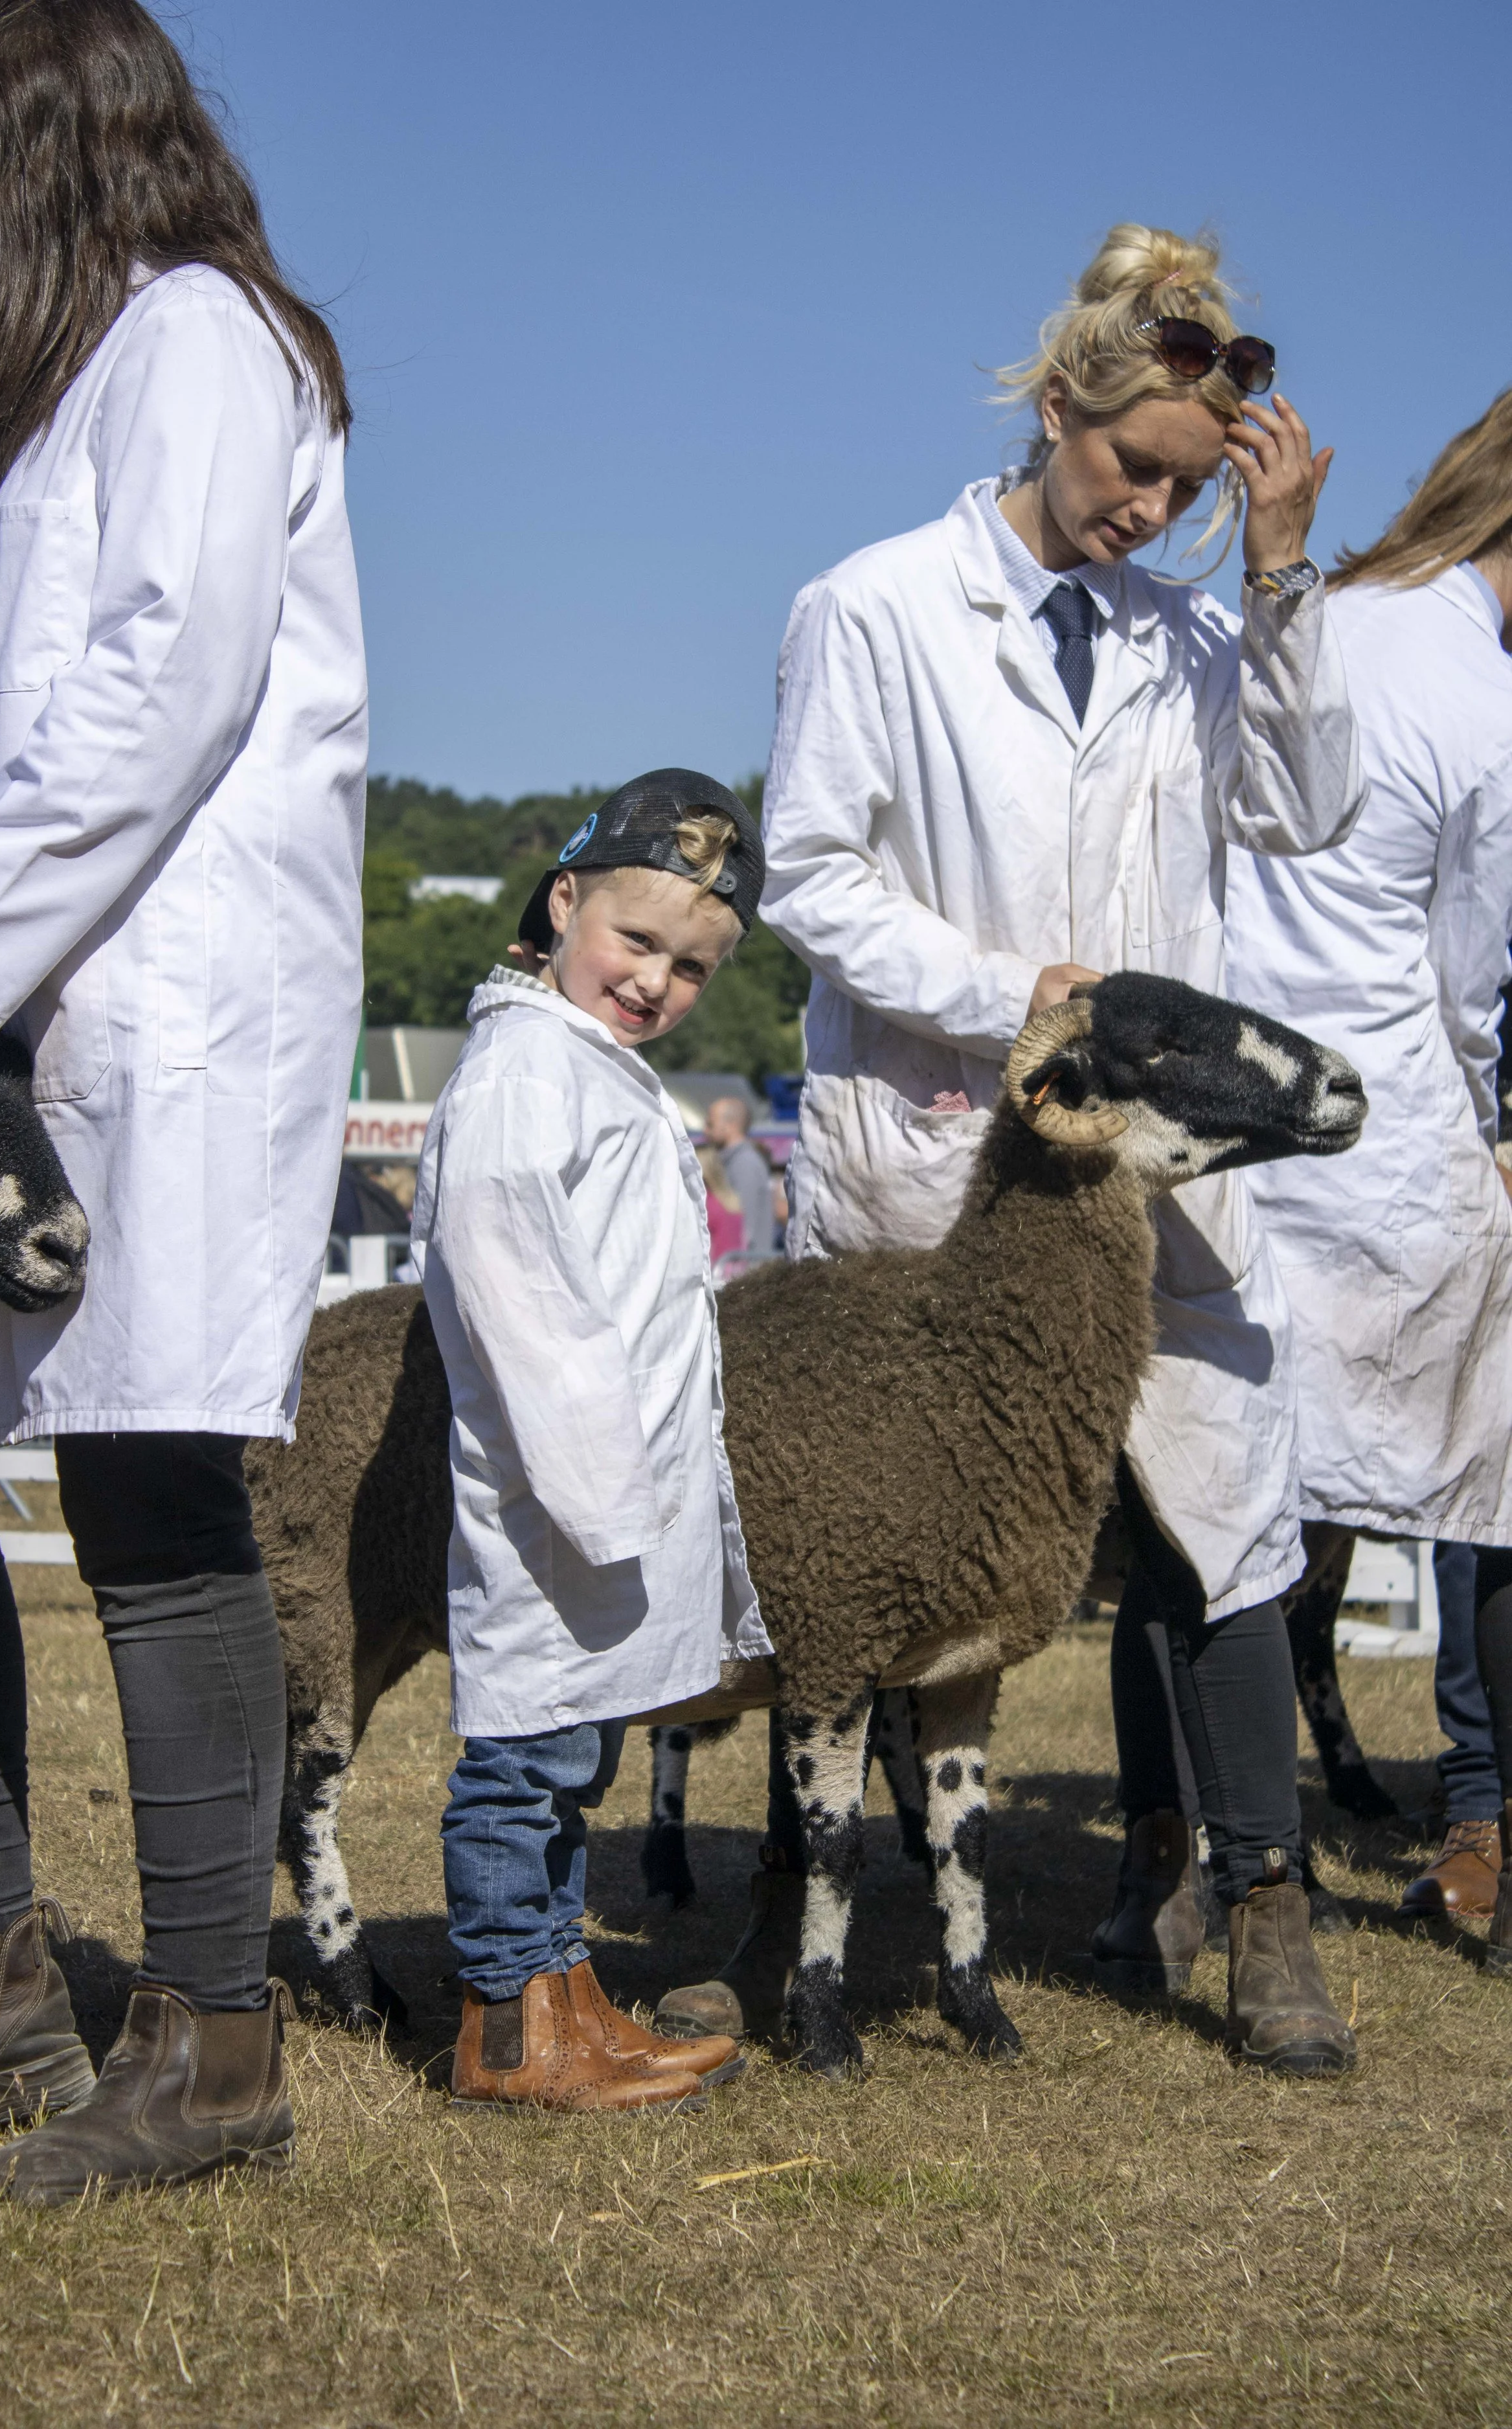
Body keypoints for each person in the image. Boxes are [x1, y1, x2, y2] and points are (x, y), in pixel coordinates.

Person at [708, 222, 1367, 2072]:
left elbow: (1305, 809)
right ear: (1054, 408)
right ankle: (795, 1891)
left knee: (1222, 1506)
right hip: (947, 1155)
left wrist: (1281, 571)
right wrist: (1019, 997)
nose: (1146, 512)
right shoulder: (873, 607)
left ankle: (1258, 1902)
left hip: (1156, 1169)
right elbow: (814, 871)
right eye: (1125, 469)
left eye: (1181, 486)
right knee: (845, 1538)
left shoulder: (1196, 634)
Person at [0, 0, 367, 2200]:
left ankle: (215, 2044)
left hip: (166, 1006)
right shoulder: (57, 404)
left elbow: (165, 686)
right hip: (29, 1005)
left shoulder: (194, 341)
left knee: (160, 1492)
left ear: (60, 150)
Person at [414, 771, 773, 2110]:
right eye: (636, 941)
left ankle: (568, 1996)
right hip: (557, 1497)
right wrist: (601, 1498)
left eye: (690, 968)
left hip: (611, 1499)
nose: (655, 982)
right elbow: (525, 1306)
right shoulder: (519, 1074)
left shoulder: (588, 1067)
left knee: (570, 1758)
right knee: (521, 1764)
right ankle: (507, 2028)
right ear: (564, 901)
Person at [1224, 393, 1512, 1944]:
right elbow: (1472, 974)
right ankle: (1491, 1828)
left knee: (1236, 1510)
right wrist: (1479, 1131)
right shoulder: (1478, 691)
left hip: (1247, 1121)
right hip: (1393, 1123)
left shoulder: (1322, 611)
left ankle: (1215, 1851)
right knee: (1488, 1490)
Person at [704, 1095, 777, 1255]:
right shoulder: (732, 1161)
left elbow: (744, 1226)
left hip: (745, 1268)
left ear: (730, 1125)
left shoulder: (745, 1163)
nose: (705, 1130)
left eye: (710, 1124)